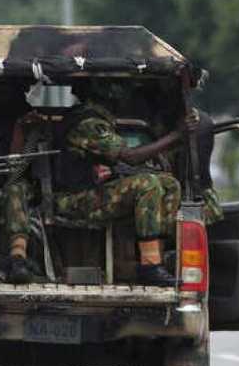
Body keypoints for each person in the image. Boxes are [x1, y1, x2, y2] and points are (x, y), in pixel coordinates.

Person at [49, 80, 193, 286]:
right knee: (147, 184)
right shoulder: (88, 123)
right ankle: (150, 267)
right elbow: (131, 157)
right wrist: (177, 135)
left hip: (91, 194)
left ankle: (158, 259)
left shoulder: (100, 120)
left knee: (169, 184)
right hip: (71, 200)